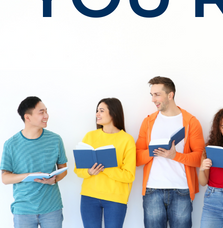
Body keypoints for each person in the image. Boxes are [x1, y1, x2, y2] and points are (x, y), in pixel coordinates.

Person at [136, 76, 205, 228]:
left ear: (170, 95)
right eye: (152, 95)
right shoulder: (148, 122)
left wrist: (174, 156)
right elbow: (136, 158)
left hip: (181, 190)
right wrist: (153, 152)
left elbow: (200, 158)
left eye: (157, 94)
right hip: (152, 190)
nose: (153, 99)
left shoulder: (191, 122)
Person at [0, 96, 68, 228]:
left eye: (46, 111)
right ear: (28, 117)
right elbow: (5, 178)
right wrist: (28, 176)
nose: (46, 116)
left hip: (52, 208)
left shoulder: (55, 140)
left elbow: (63, 169)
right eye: (41, 112)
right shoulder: (10, 144)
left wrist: (53, 180)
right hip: (23, 210)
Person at [74, 98, 136, 228]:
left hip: (116, 198)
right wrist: (89, 171)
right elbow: (78, 169)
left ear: (113, 113)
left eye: (101, 111)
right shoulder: (90, 136)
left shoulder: (127, 140)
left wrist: (104, 168)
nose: (97, 114)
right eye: (97, 111)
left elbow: (129, 175)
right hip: (89, 196)